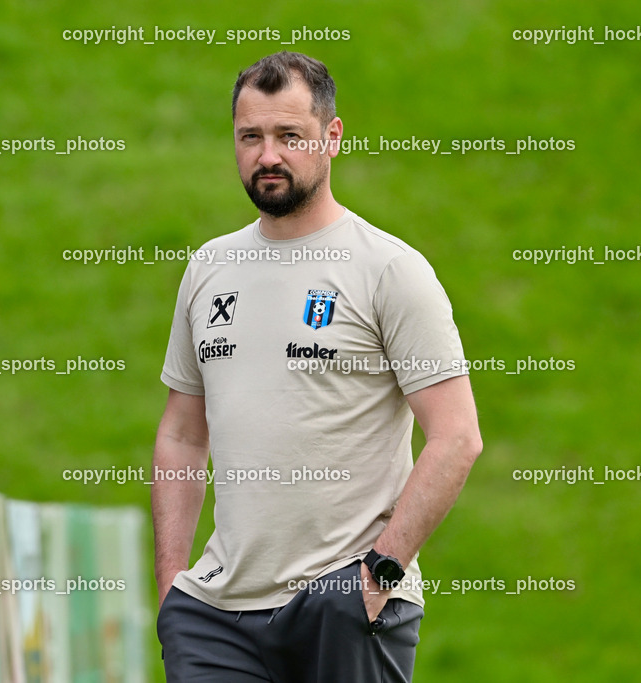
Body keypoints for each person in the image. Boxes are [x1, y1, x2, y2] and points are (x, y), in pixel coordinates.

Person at [152, 51, 482, 682]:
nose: (267, 155)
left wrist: (380, 574)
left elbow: (457, 437)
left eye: (288, 136)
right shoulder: (209, 269)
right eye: (251, 136)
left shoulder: (389, 270)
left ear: (332, 136)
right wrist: (171, 587)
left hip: (346, 602)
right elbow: (181, 434)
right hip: (214, 616)